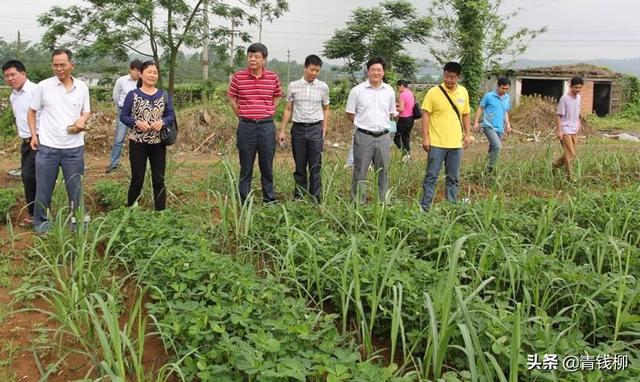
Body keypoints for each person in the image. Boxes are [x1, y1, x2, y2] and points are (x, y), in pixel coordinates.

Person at [28, 48, 91, 233]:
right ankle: (42, 225)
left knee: (76, 190)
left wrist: (82, 120)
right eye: (55, 65)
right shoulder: (43, 86)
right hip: (48, 148)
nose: (58, 69)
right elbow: (32, 112)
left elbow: (86, 110)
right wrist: (34, 135)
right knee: (43, 190)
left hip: (74, 149)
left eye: (62, 65)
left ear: (72, 65)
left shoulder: (82, 87)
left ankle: (79, 224)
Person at [228, 43, 282, 204]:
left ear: (264, 59)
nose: (252, 59)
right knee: (246, 165)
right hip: (246, 126)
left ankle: (269, 198)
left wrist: (270, 109)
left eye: (256, 56)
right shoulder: (238, 77)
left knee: (267, 164)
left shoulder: (273, 77)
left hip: (266, 126)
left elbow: (278, 95)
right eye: (250, 56)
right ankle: (244, 199)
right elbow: (232, 97)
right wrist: (240, 113)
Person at [120, 61, 175, 211]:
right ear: (141, 74)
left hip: (158, 143)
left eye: (155, 72)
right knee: (137, 179)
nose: (152, 75)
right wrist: (135, 122)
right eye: (149, 72)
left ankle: (160, 212)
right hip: (138, 143)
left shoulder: (163, 95)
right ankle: (130, 209)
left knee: (159, 180)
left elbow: (171, 115)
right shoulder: (133, 95)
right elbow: (123, 116)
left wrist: (163, 122)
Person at [419, 61, 472, 211]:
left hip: (456, 144)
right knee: (431, 176)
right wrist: (425, 137)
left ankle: (451, 207)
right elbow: (425, 115)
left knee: (453, 178)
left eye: (452, 77)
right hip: (436, 143)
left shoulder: (463, 92)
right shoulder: (433, 92)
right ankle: (425, 207)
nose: (449, 80)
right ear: (443, 74)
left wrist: (467, 135)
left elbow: (466, 114)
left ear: (458, 77)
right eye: (446, 76)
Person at [278, 54, 330, 202]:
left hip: (315, 130)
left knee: (315, 166)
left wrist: (323, 130)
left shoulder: (323, 87)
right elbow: (288, 109)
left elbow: (326, 109)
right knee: (300, 166)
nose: (314, 73)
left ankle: (315, 199)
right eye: (312, 69)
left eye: (317, 70)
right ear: (305, 67)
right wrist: (282, 130)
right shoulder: (293, 85)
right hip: (298, 130)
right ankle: (299, 197)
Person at [346, 56, 396, 203]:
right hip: (363, 136)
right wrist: (362, 124)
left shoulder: (389, 91)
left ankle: (382, 203)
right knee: (360, 172)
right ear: (367, 71)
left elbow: (391, 112)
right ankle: (358, 204)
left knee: (383, 172)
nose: (376, 73)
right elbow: (350, 113)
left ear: (384, 72)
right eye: (373, 69)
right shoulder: (357, 91)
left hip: (383, 137)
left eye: (379, 70)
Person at [2, 59, 38, 225]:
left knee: (29, 176)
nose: (10, 79)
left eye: (13, 74)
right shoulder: (13, 96)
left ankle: (37, 214)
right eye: (6, 76)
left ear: (23, 74)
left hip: (39, 140)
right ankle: (36, 212)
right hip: (25, 142)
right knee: (29, 178)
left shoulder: (36, 91)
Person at [106, 59, 142, 173]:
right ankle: (114, 163)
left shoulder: (141, 82)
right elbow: (116, 96)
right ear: (130, 70)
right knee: (119, 138)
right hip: (123, 112)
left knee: (139, 138)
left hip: (137, 112)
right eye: (135, 70)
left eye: (139, 71)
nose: (137, 73)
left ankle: (138, 164)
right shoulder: (121, 81)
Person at [473, 77, 512, 173]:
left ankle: (486, 170)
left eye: (507, 89)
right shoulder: (489, 96)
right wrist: (476, 122)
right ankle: (491, 168)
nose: (505, 91)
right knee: (498, 146)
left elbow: (505, 112)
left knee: (493, 148)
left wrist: (508, 124)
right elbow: (480, 108)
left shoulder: (507, 97)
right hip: (488, 125)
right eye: (503, 88)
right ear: (498, 86)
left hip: (500, 127)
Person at [553, 76, 583, 180]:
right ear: (570, 86)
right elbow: (558, 115)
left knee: (569, 153)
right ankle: (570, 178)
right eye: (576, 87)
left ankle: (554, 165)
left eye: (579, 87)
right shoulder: (564, 98)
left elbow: (578, 112)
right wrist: (559, 130)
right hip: (565, 128)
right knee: (571, 154)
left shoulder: (579, 97)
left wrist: (579, 124)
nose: (578, 90)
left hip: (575, 128)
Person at [395, 79, 416, 163]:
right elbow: (408, 105)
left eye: (398, 87)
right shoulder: (410, 93)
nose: (398, 89)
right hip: (410, 119)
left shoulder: (402, 95)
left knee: (397, 138)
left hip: (403, 119)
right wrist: (398, 104)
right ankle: (407, 158)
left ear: (401, 86)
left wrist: (393, 108)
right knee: (406, 138)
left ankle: (405, 155)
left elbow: (401, 109)